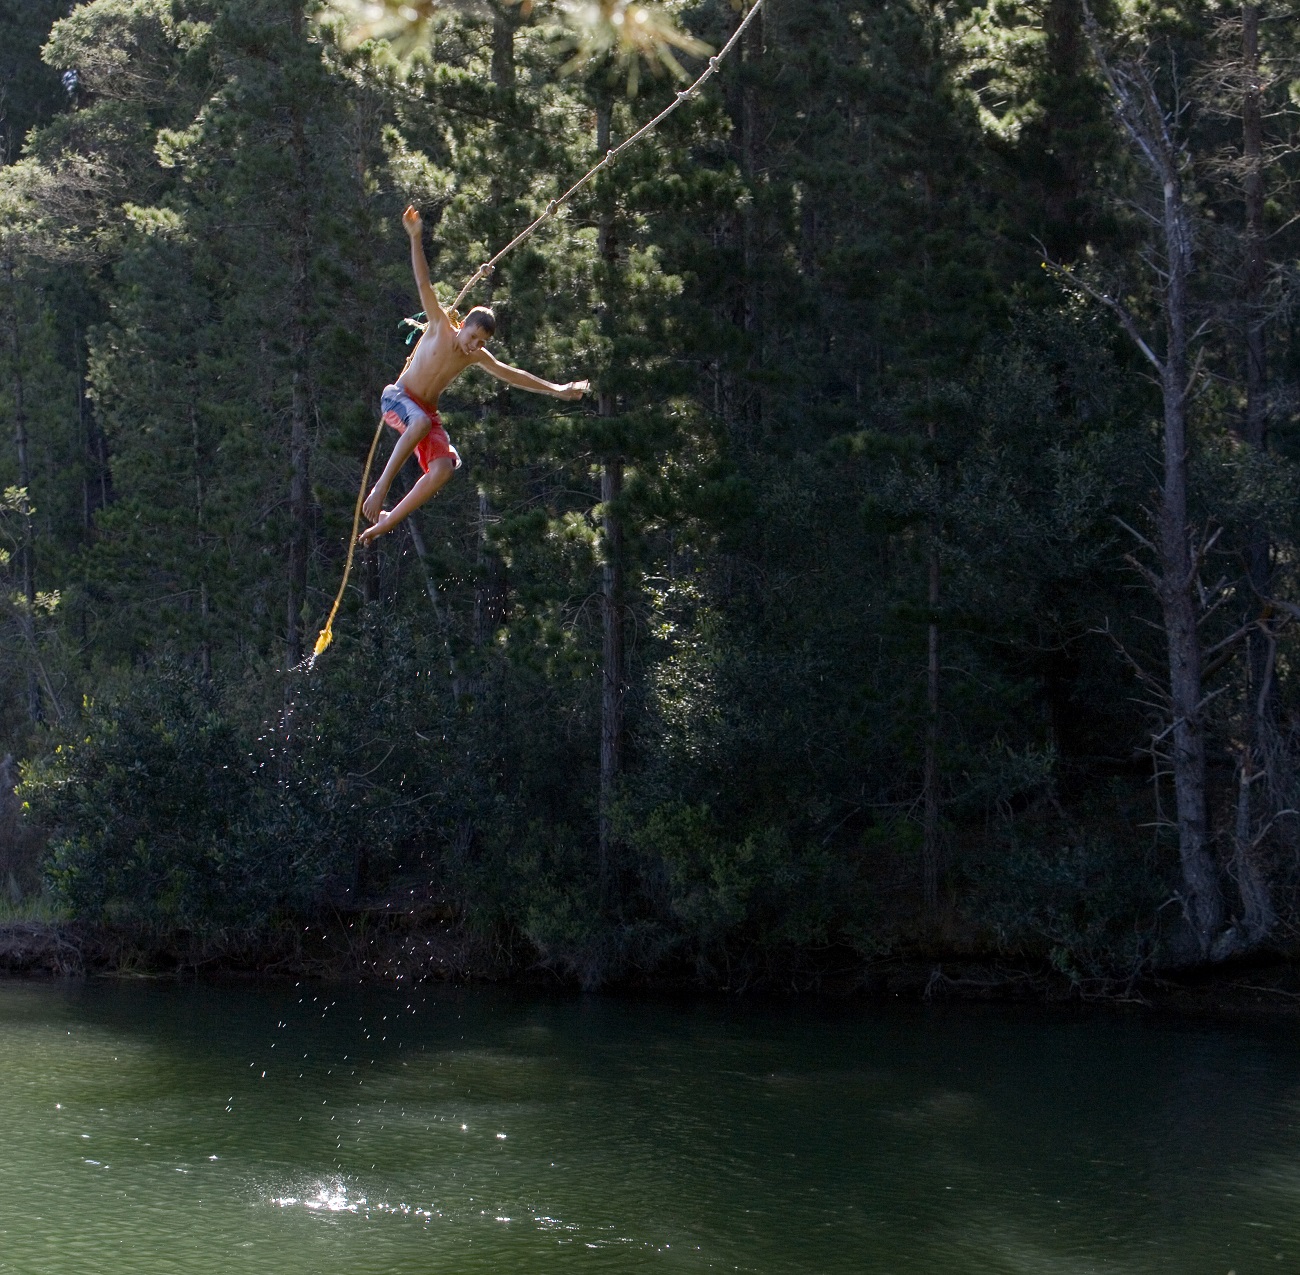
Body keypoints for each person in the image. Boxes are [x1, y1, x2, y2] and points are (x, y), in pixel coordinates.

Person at [359, 205, 590, 545]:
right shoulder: (439, 326)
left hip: (425, 415)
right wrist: (416, 237)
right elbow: (423, 281)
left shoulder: (475, 355)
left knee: (443, 469)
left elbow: (512, 374)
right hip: (397, 400)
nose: (473, 346)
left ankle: (388, 520)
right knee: (421, 423)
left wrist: (557, 389)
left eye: (480, 343)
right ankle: (380, 489)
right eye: (472, 338)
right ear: (461, 324)